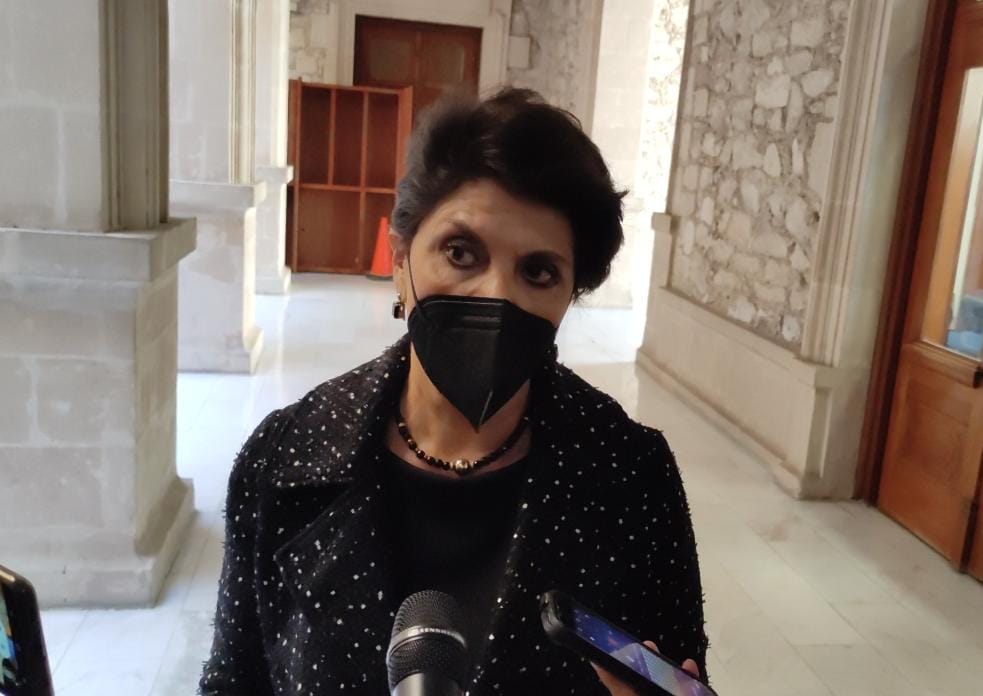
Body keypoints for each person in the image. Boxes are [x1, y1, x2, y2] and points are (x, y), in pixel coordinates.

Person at [199, 87, 708, 695]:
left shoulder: (632, 475)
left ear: (569, 295)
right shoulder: (285, 456)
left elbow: (680, 675)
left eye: (538, 271)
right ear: (400, 259)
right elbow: (234, 682)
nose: (496, 294)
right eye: (461, 252)